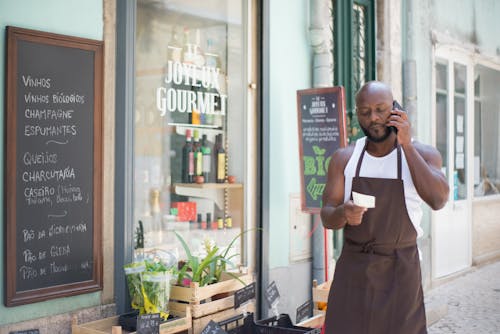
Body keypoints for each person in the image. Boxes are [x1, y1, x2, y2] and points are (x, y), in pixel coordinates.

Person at [320, 81, 449, 334]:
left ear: (396, 109)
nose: (374, 118)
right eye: (365, 112)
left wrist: (407, 145)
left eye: (381, 109)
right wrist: (342, 213)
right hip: (353, 269)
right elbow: (326, 216)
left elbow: (438, 200)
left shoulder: (422, 154)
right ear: (357, 115)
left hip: (400, 271)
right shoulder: (344, 158)